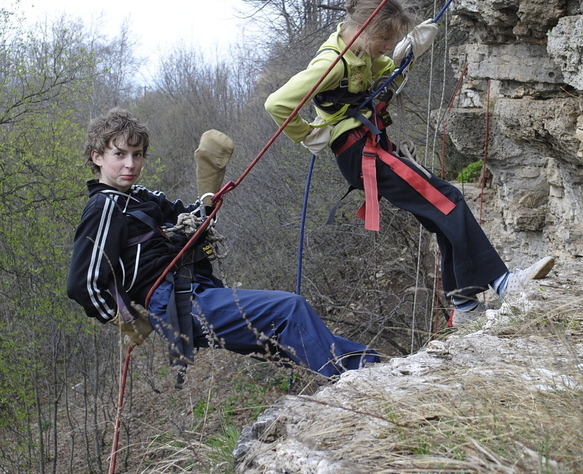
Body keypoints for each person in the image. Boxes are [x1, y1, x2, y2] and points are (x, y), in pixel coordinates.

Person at [264, 0, 555, 326]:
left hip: (371, 147)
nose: (386, 47)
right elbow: (277, 103)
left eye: (391, 40)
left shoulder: (361, 54)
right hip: (360, 154)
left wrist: (404, 55)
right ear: (362, 28)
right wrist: (307, 134)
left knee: (440, 215)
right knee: (448, 200)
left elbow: (382, 70)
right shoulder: (332, 64)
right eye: (384, 39)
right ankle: (504, 284)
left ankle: (464, 305)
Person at [66, 108, 378, 387]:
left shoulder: (139, 197)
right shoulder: (104, 206)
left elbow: (193, 215)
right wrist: (128, 322)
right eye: (119, 154)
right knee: (289, 310)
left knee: (291, 334)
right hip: (173, 303)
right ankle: (355, 389)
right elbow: (83, 284)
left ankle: (376, 372)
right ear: (97, 157)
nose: (130, 164)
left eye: (137, 154)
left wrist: (209, 185)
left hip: (192, 292)